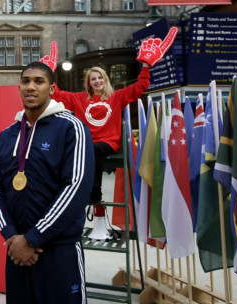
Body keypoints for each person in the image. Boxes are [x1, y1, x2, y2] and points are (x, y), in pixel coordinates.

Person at [0, 61, 94, 304]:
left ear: (52, 88)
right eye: (26, 81)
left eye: (39, 81)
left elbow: (76, 187)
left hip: (59, 250)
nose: (31, 87)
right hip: (17, 252)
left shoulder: (72, 127)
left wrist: (33, 238)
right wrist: (12, 236)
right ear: (19, 87)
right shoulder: (8, 134)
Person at [40, 28, 177, 205]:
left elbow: (141, 85)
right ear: (88, 83)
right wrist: (48, 75)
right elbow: (56, 94)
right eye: (93, 79)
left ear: (105, 79)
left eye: (100, 78)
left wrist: (145, 65)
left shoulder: (117, 97)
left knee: (92, 149)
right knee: (67, 148)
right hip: (86, 141)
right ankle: (66, 190)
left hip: (107, 143)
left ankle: (94, 192)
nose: (97, 81)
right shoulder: (79, 98)